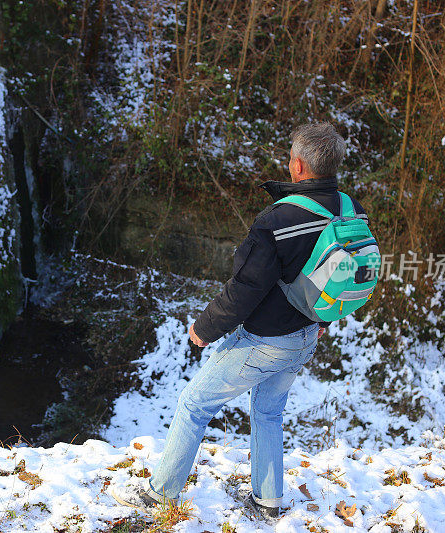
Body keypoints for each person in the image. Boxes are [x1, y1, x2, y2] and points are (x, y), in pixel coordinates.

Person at [112, 122, 368, 522]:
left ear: (298, 166)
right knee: (267, 413)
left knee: (194, 404)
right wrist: (323, 321)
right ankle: (267, 501)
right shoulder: (350, 209)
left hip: (266, 342)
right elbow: (343, 276)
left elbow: (245, 287)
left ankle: (159, 497)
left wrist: (204, 328)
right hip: (307, 335)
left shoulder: (277, 221)